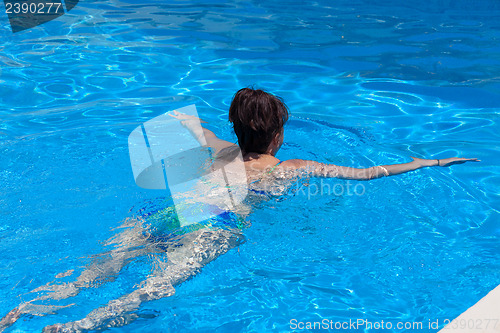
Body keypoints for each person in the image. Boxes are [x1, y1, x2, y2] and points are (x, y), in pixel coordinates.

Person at [0, 87, 479, 332]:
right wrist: (424, 161)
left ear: (235, 125)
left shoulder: (217, 150)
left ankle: (25, 307)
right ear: (278, 135)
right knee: (150, 288)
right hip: (214, 225)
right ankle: (80, 326)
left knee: (98, 268)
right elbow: (367, 175)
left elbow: (181, 126)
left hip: (167, 212)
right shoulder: (292, 166)